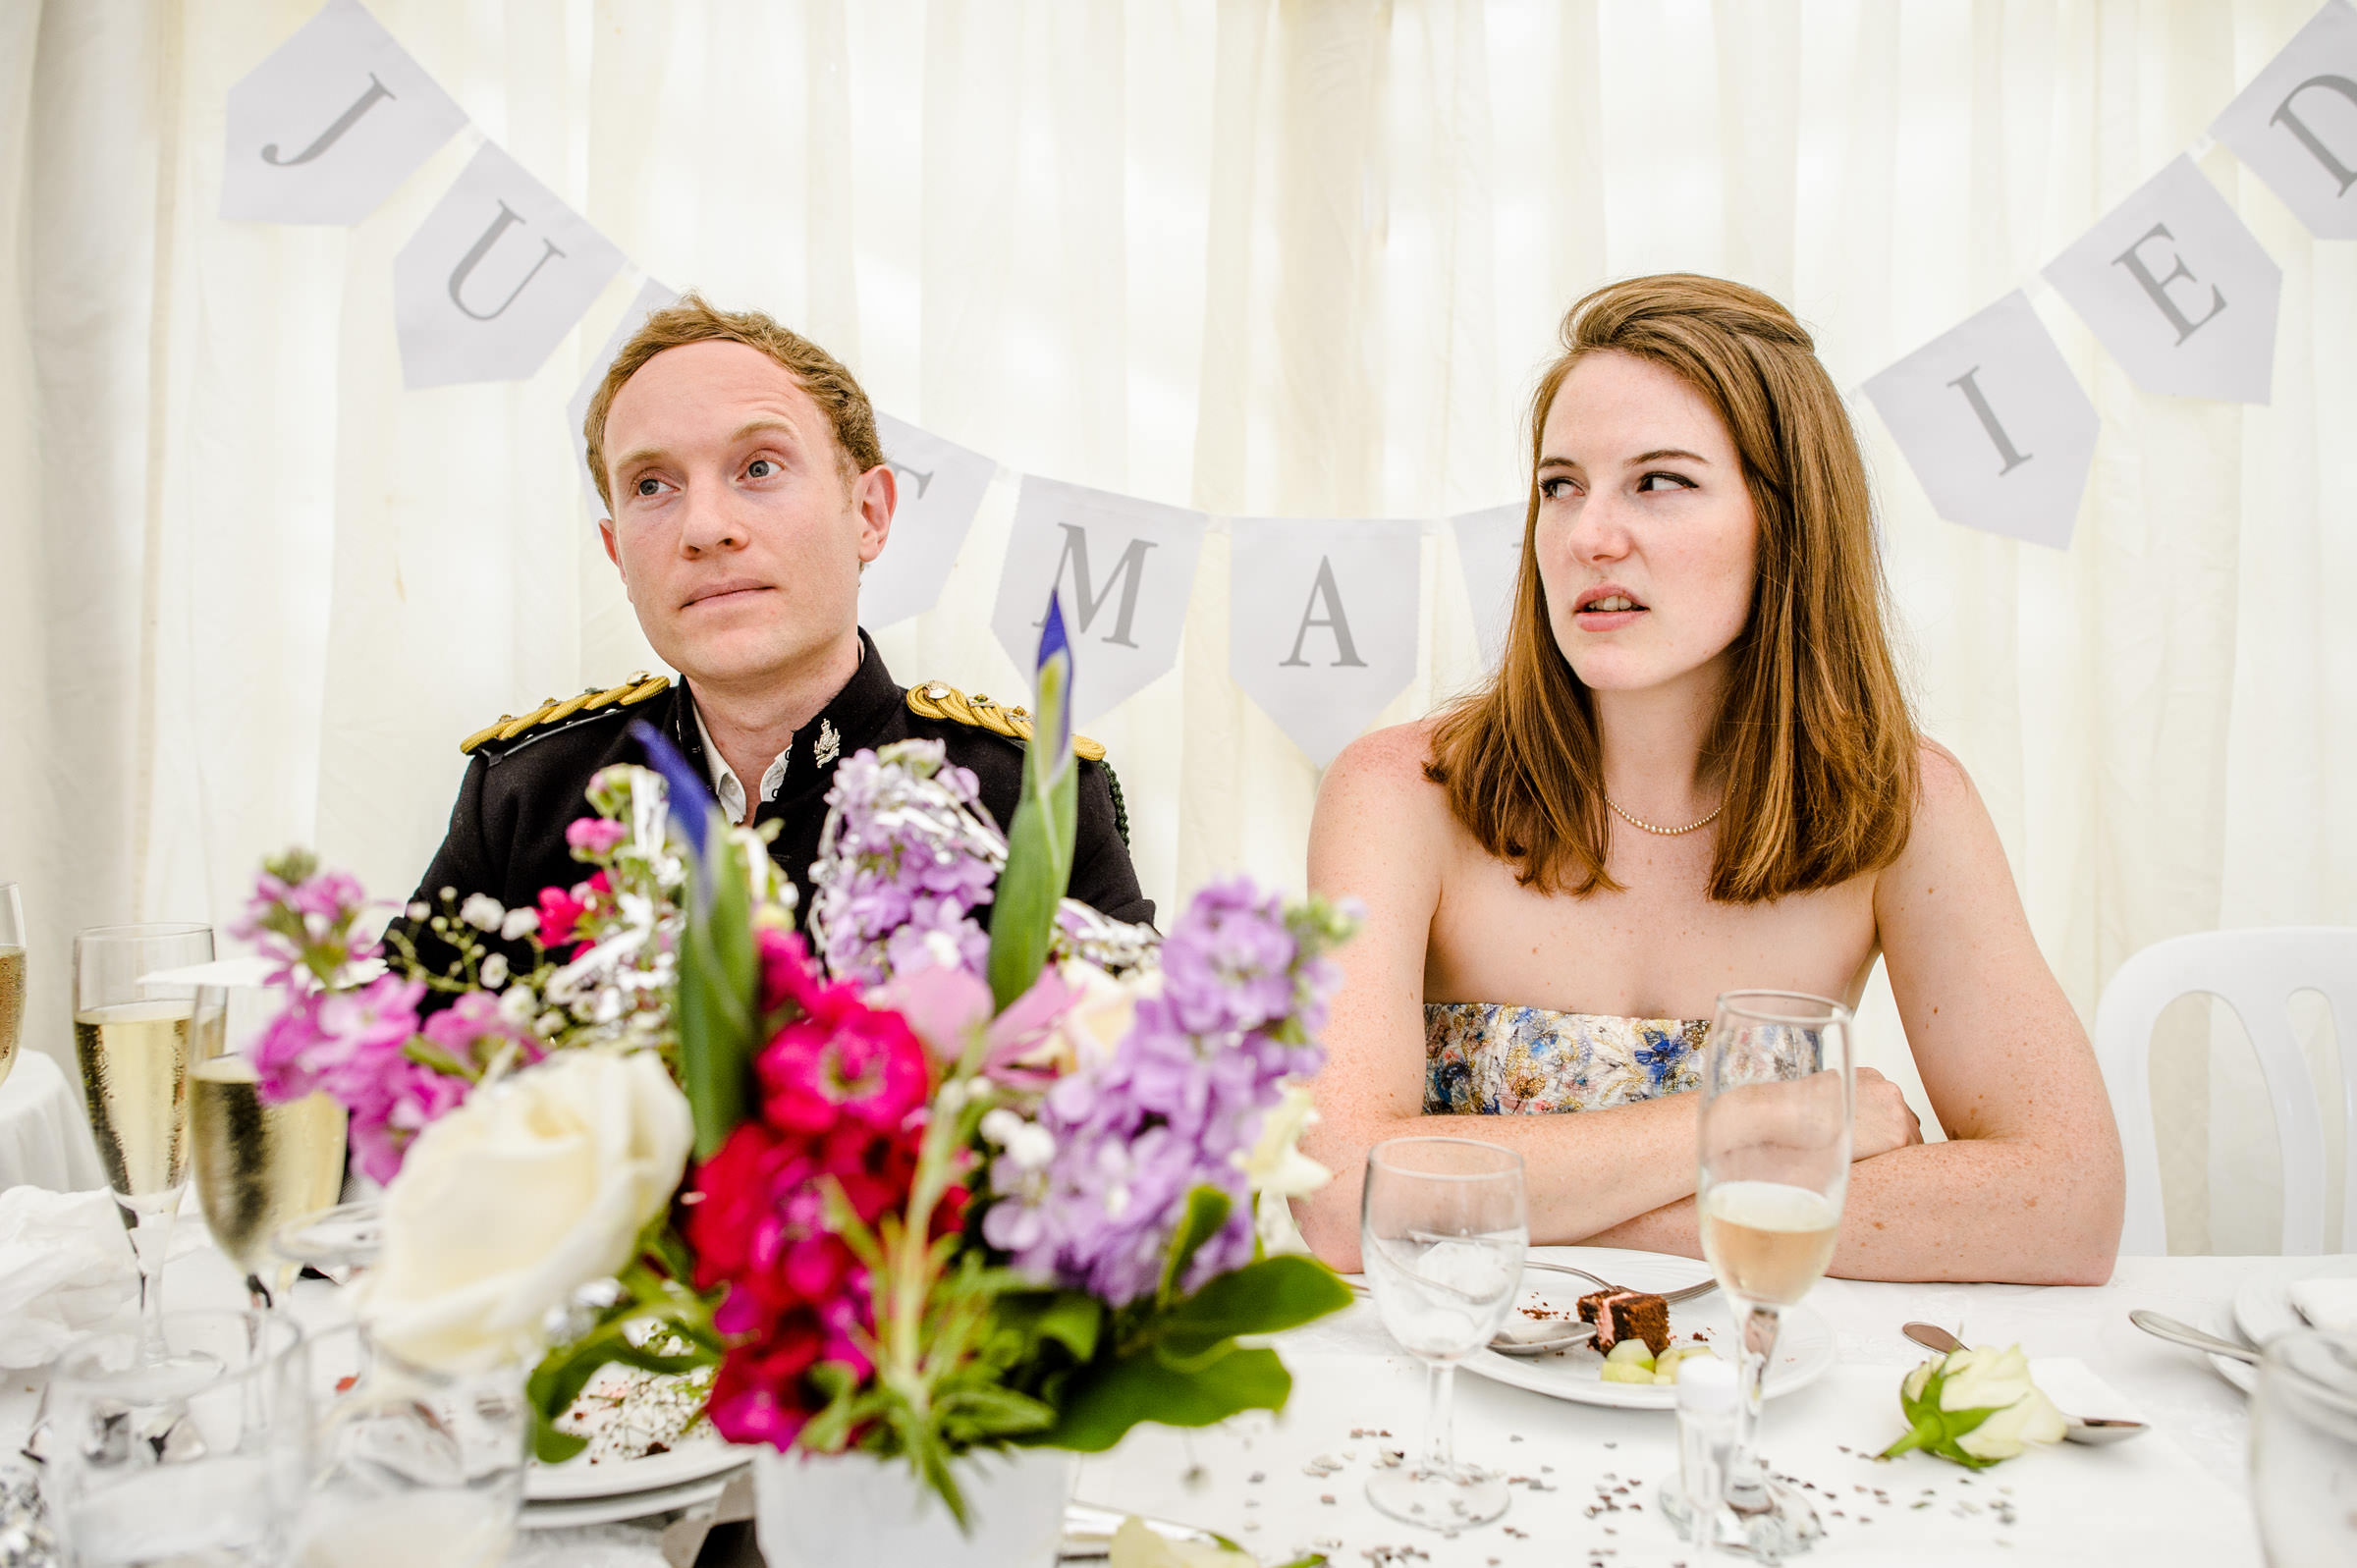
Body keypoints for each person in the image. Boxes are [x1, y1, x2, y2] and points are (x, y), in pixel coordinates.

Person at [1298, 275, 2122, 1284]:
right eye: (1561, 484)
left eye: (1658, 481)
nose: (1589, 534)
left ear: (1786, 521)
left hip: (1752, 1383)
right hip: (1454, 1384)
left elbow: (2066, 1207)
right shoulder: (1400, 794)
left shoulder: (1900, 804)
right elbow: (1341, 1203)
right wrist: (1761, 1124)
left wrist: (1501, 1211)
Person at [405, 296, 1153, 969]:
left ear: (868, 514)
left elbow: (1140, 1096)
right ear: (617, 554)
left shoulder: (1028, 796)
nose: (703, 528)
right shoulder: (523, 797)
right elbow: (386, 1100)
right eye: (652, 486)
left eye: (759, 466)